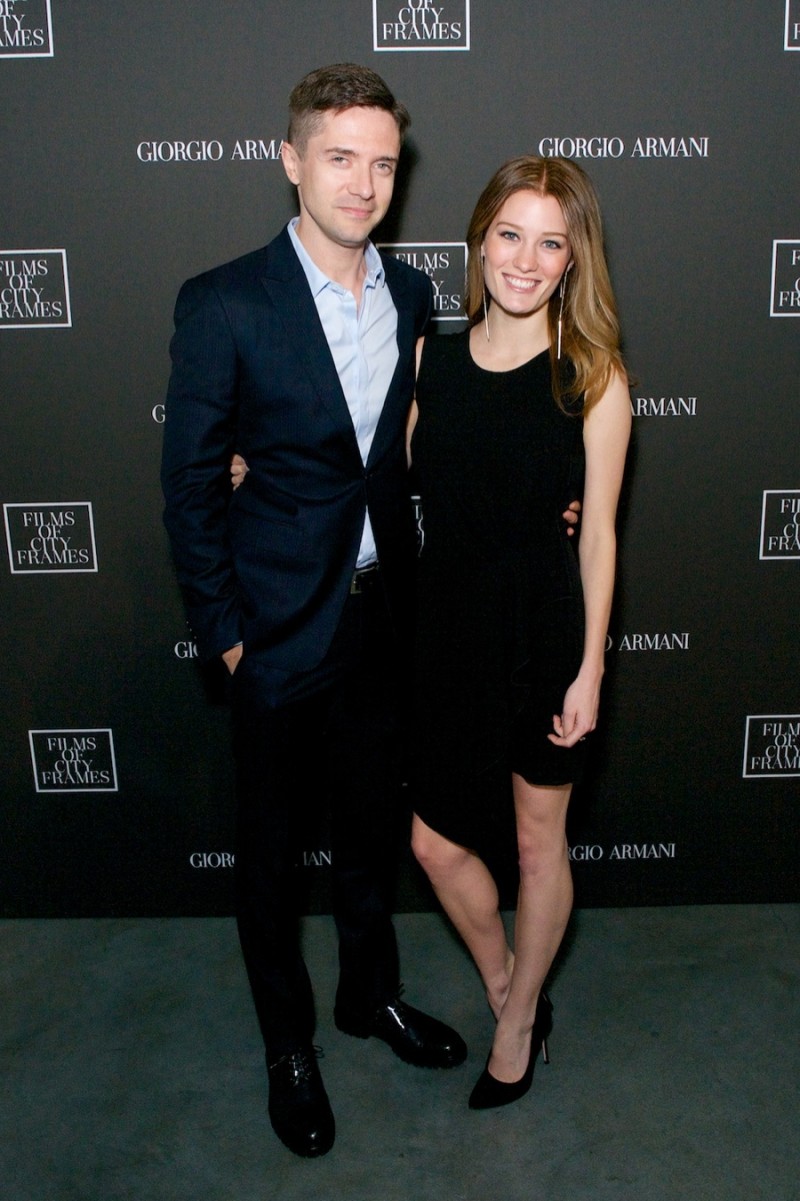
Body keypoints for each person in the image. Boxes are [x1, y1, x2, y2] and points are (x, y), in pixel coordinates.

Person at [160, 63, 470, 1160]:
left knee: (367, 837)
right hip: (277, 629)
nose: (363, 182)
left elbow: (425, 450)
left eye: (382, 162)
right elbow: (191, 486)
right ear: (289, 159)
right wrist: (229, 633)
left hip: (386, 620)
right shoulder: (224, 300)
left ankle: (366, 996)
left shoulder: (417, 296)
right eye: (339, 156)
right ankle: (287, 1046)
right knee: (267, 855)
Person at [407, 156, 631, 1109]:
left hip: (543, 634)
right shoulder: (431, 362)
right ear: (479, 239)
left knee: (541, 848)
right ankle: (510, 984)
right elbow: (370, 475)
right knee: (432, 842)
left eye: (552, 242)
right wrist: (255, 465)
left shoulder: (594, 376)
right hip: (446, 635)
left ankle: (517, 1019)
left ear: (574, 261)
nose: (527, 260)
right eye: (511, 234)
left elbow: (601, 535)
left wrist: (589, 670)